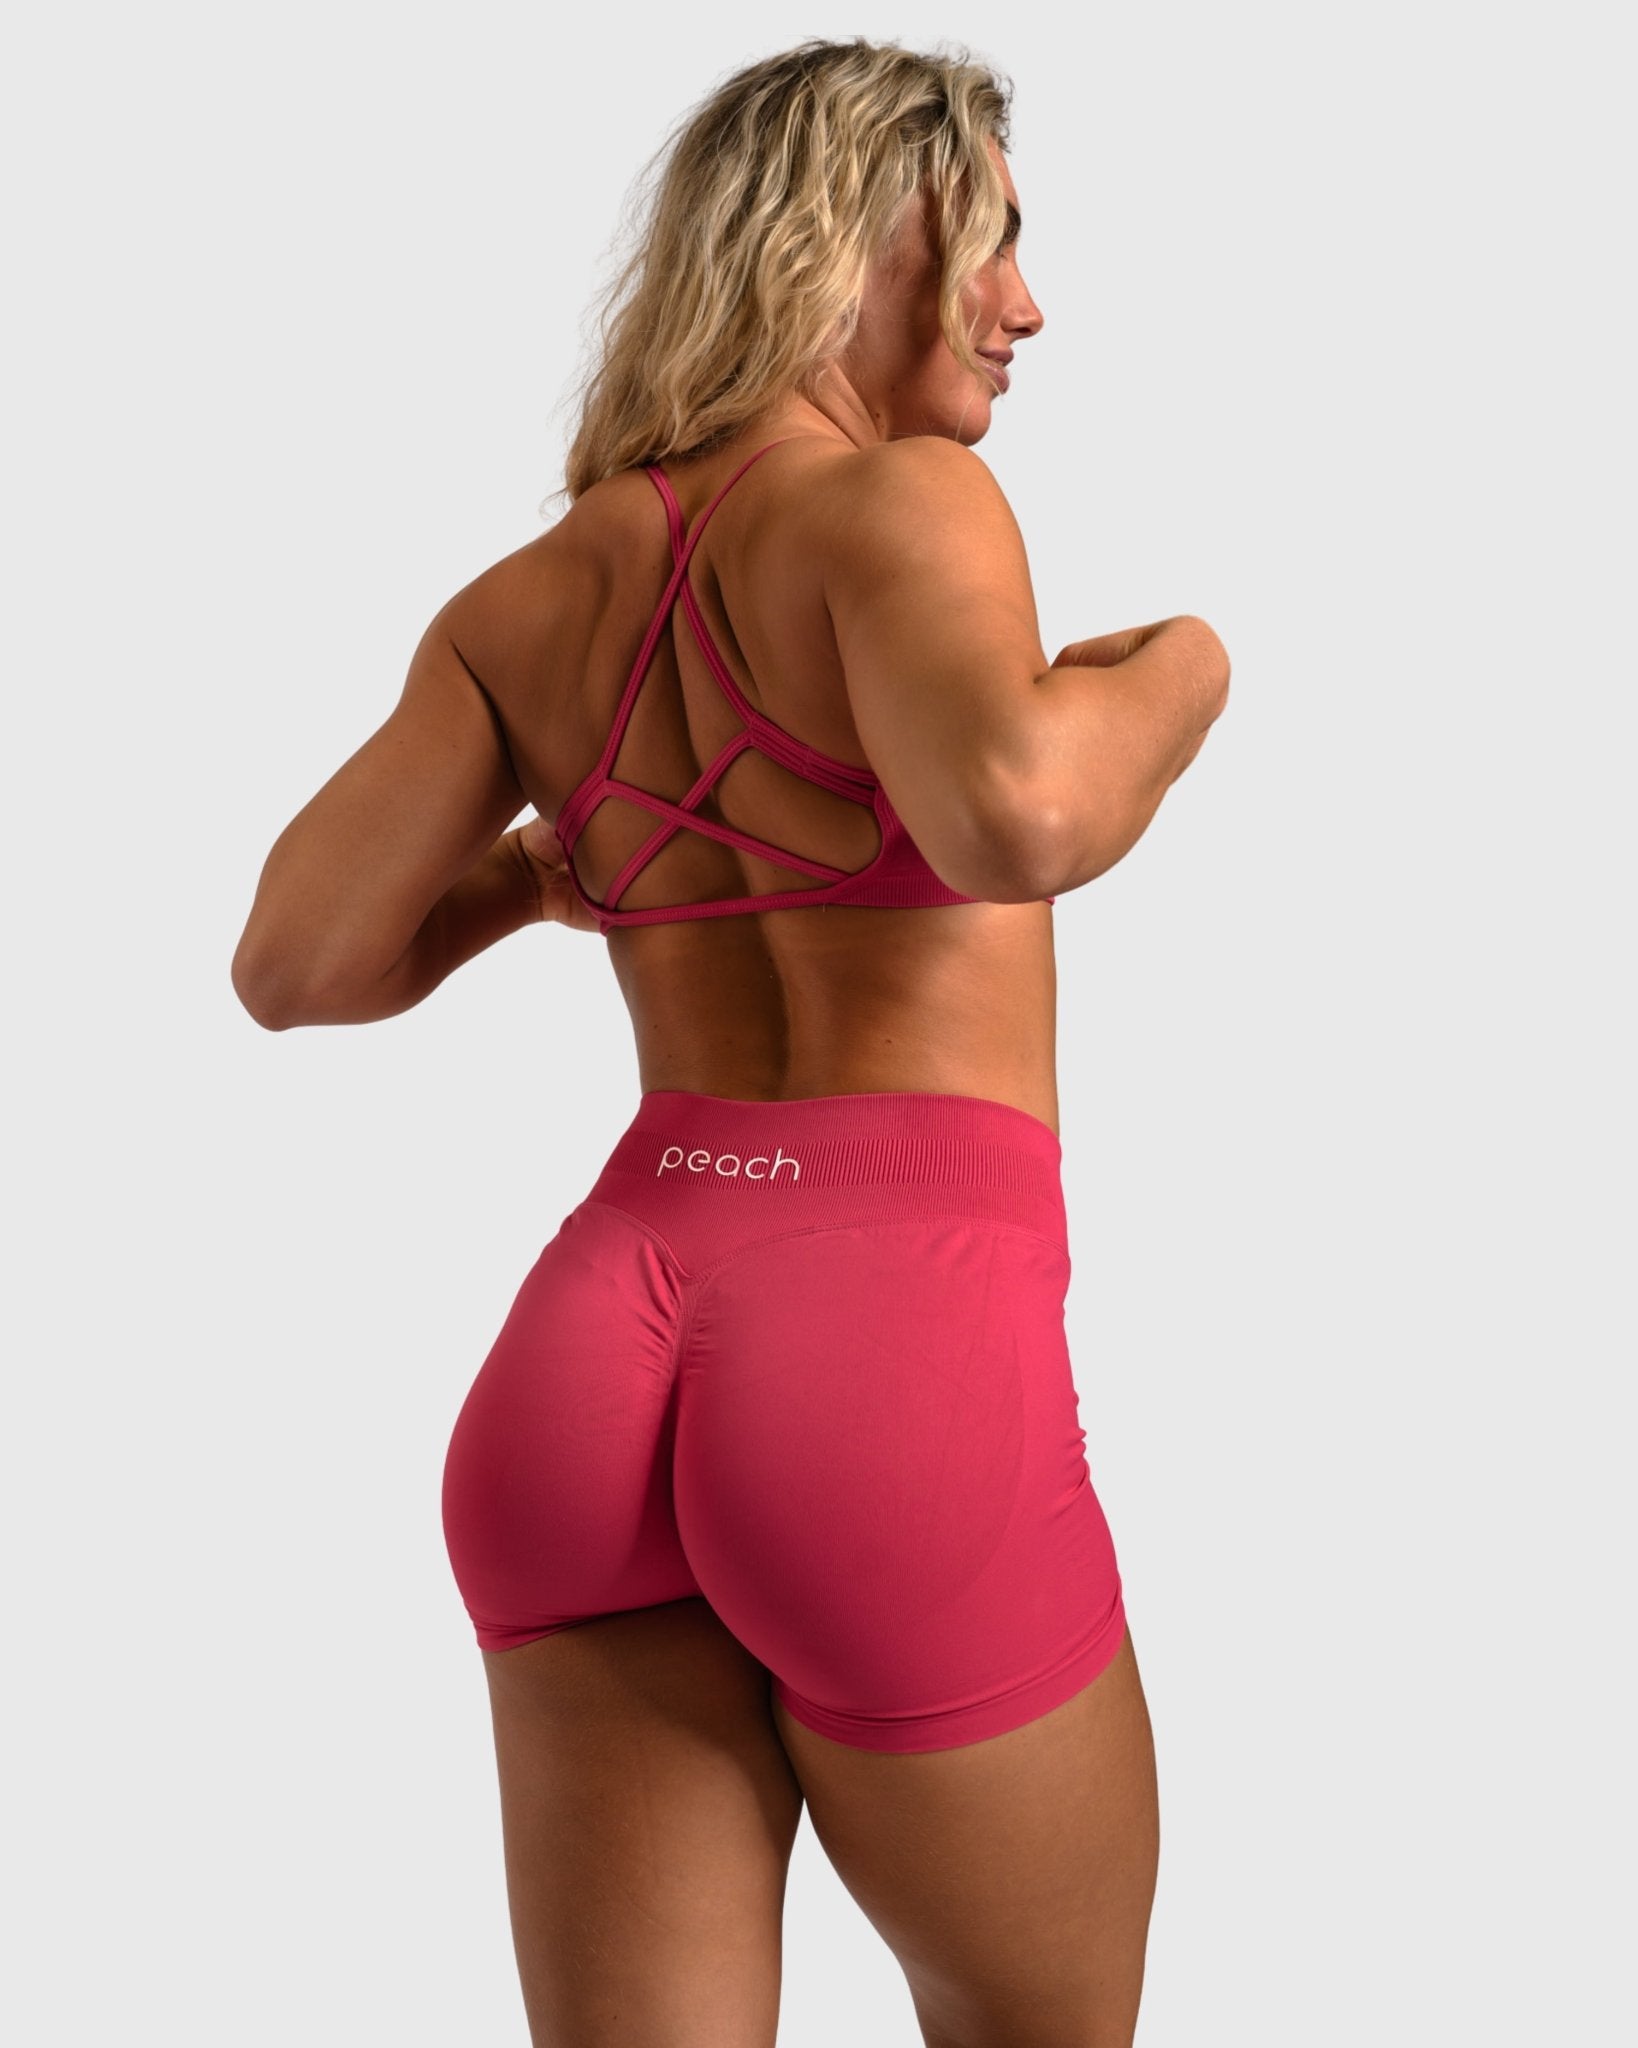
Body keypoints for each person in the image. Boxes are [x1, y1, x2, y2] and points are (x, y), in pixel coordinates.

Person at [231, 34, 1230, 2048]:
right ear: (860, 233)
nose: (1027, 304)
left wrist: (535, 880)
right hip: (888, 1345)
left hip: (598, 1342)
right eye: (992, 239)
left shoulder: (536, 595)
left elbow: (299, 960)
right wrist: (1191, 668)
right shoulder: (906, 505)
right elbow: (1022, 812)